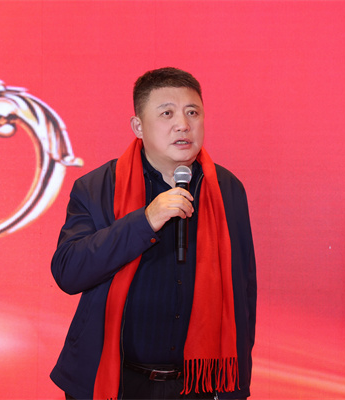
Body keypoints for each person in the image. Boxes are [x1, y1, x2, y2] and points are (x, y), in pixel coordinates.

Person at [50, 67, 256, 400]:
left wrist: (237, 383)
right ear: (138, 126)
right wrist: (145, 221)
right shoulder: (97, 187)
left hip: (198, 385)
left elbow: (244, 289)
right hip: (117, 381)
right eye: (167, 113)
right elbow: (68, 272)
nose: (183, 124)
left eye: (193, 113)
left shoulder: (227, 189)